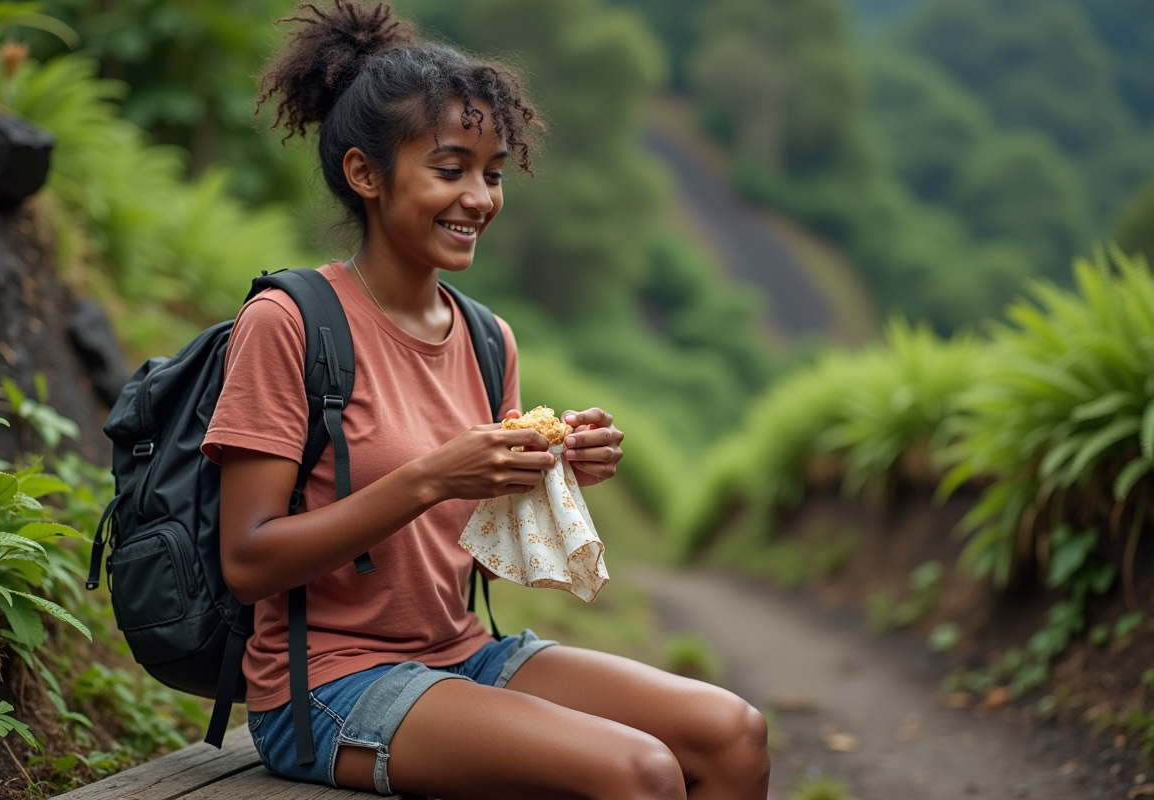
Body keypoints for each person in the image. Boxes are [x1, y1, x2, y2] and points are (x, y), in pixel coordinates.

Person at [201, 2, 770, 798]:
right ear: (366, 174)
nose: (480, 198)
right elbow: (247, 562)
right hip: (327, 684)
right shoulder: (290, 322)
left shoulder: (486, 337)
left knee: (732, 734)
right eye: (449, 169)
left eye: (493, 172)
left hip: (464, 651)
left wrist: (554, 471)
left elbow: (479, 535)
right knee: (638, 772)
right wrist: (434, 476)